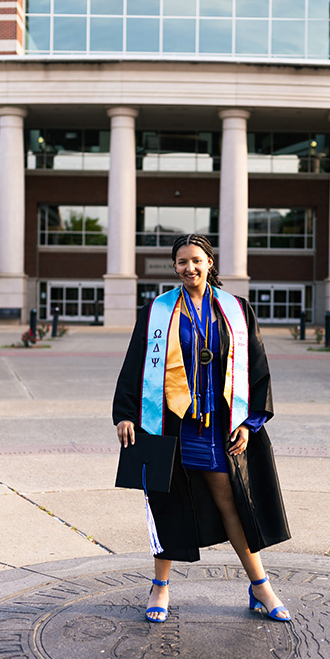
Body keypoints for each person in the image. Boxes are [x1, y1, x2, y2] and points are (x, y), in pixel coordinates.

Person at [113, 234, 291, 623]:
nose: (189, 268)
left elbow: (256, 365)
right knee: (166, 503)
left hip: (218, 427)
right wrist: (125, 413)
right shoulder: (158, 311)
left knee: (234, 505)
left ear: (210, 262)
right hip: (169, 424)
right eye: (181, 262)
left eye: (196, 260)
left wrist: (250, 421)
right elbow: (136, 363)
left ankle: (260, 586)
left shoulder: (236, 310)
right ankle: (160, 587)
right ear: (174, 267)